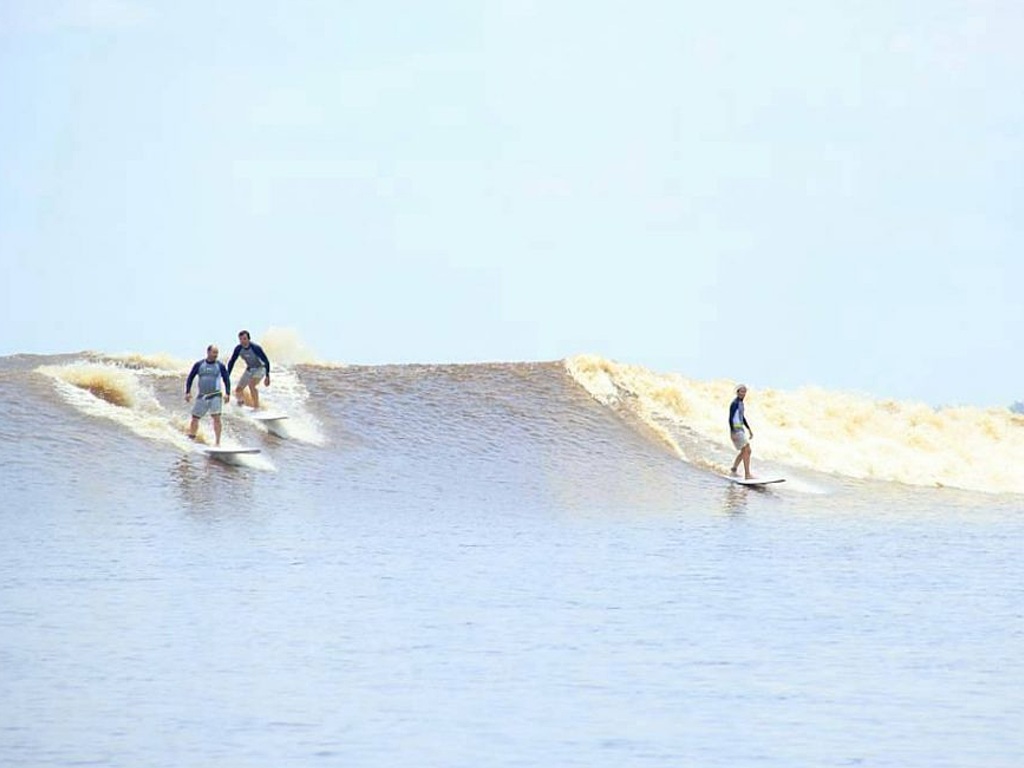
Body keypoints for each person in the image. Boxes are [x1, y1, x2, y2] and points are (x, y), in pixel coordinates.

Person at [185, 345, 231, 445]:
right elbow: (190, 378)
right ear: (208, 352)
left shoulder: (220, 366)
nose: (216, 355)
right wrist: (188, 392)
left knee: (216, 418)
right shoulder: (199, 364)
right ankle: (192, 437)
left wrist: (228, 393)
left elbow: (226, 379)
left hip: (216, 395)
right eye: (214, 353)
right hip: (202, 396)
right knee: (195, 418)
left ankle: (217, 443)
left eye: (217, 353)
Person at [227, 330, 271, 409]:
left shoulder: (255, 348)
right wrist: (227, 375)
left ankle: (256, 407)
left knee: (251, 385)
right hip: (250, 369)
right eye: (240, 339)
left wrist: (267, 376)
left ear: (248, 339)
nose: (242, 341)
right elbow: (231, 362)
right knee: (238, 390)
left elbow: (266, 361)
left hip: (260, 368)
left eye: (244, 339)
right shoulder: (238, 349)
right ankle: (241, 405)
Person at [729, 384, 754, 479]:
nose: (743, 393)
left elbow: (742, 418)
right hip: (736, 430)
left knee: (746, 451)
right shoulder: (734, 403)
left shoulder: (741, 403)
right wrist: (732, 432)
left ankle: (733, 469)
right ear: (737, 392)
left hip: (741, 430)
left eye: (744, 392)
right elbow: (730, 418)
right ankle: (747, 475)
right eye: (741, 391)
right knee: (747, 449)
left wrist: (749, 429)